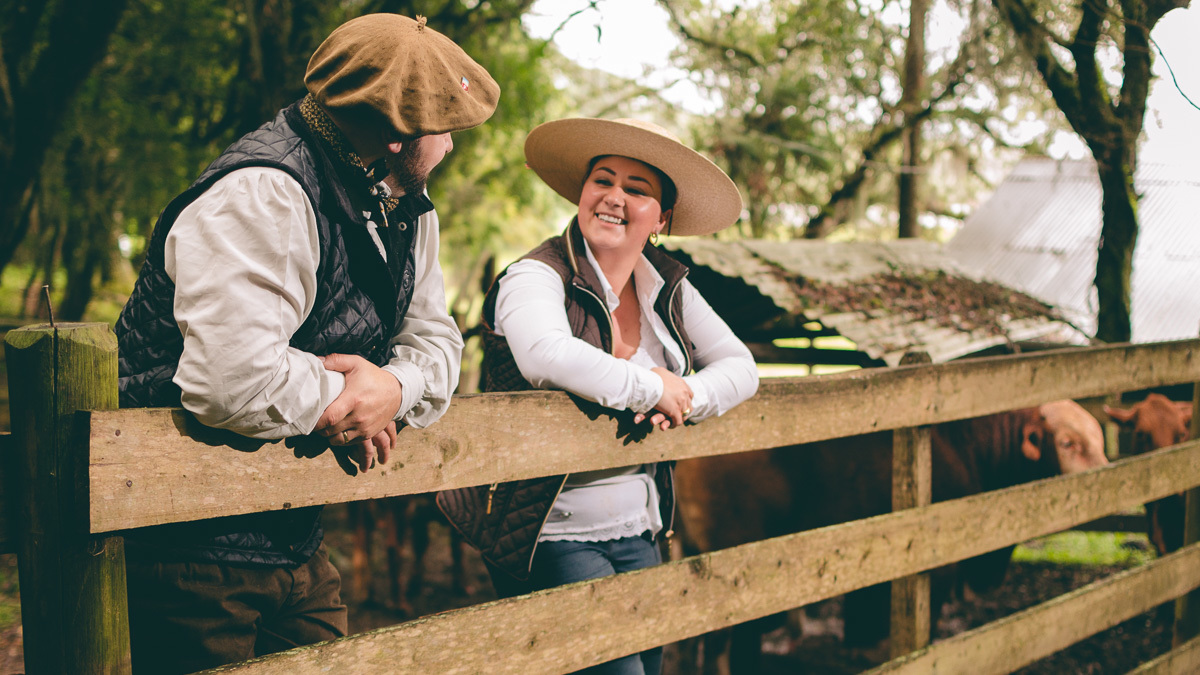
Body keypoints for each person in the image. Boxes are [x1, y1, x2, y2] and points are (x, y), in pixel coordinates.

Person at [114, 14, 499, 673]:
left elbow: (436, 343)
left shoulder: (403, 206)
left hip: (294, 534)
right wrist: (354, 397)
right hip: (185, 542)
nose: (449, 147)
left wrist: (394, 386)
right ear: (398, 135)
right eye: (443, 130)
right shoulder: (263, 192)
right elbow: (232, 380)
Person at [437, 118, 759, 674]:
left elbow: (742, 368)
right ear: (582, 194)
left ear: (662, 218)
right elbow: (546, 355)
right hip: (549, 528)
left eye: (636, 189)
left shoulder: (667, 286)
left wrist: (685, 395)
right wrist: (651, 386)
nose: (614, 196)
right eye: (602, 181)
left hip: (642, 525)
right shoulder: (536, 276)